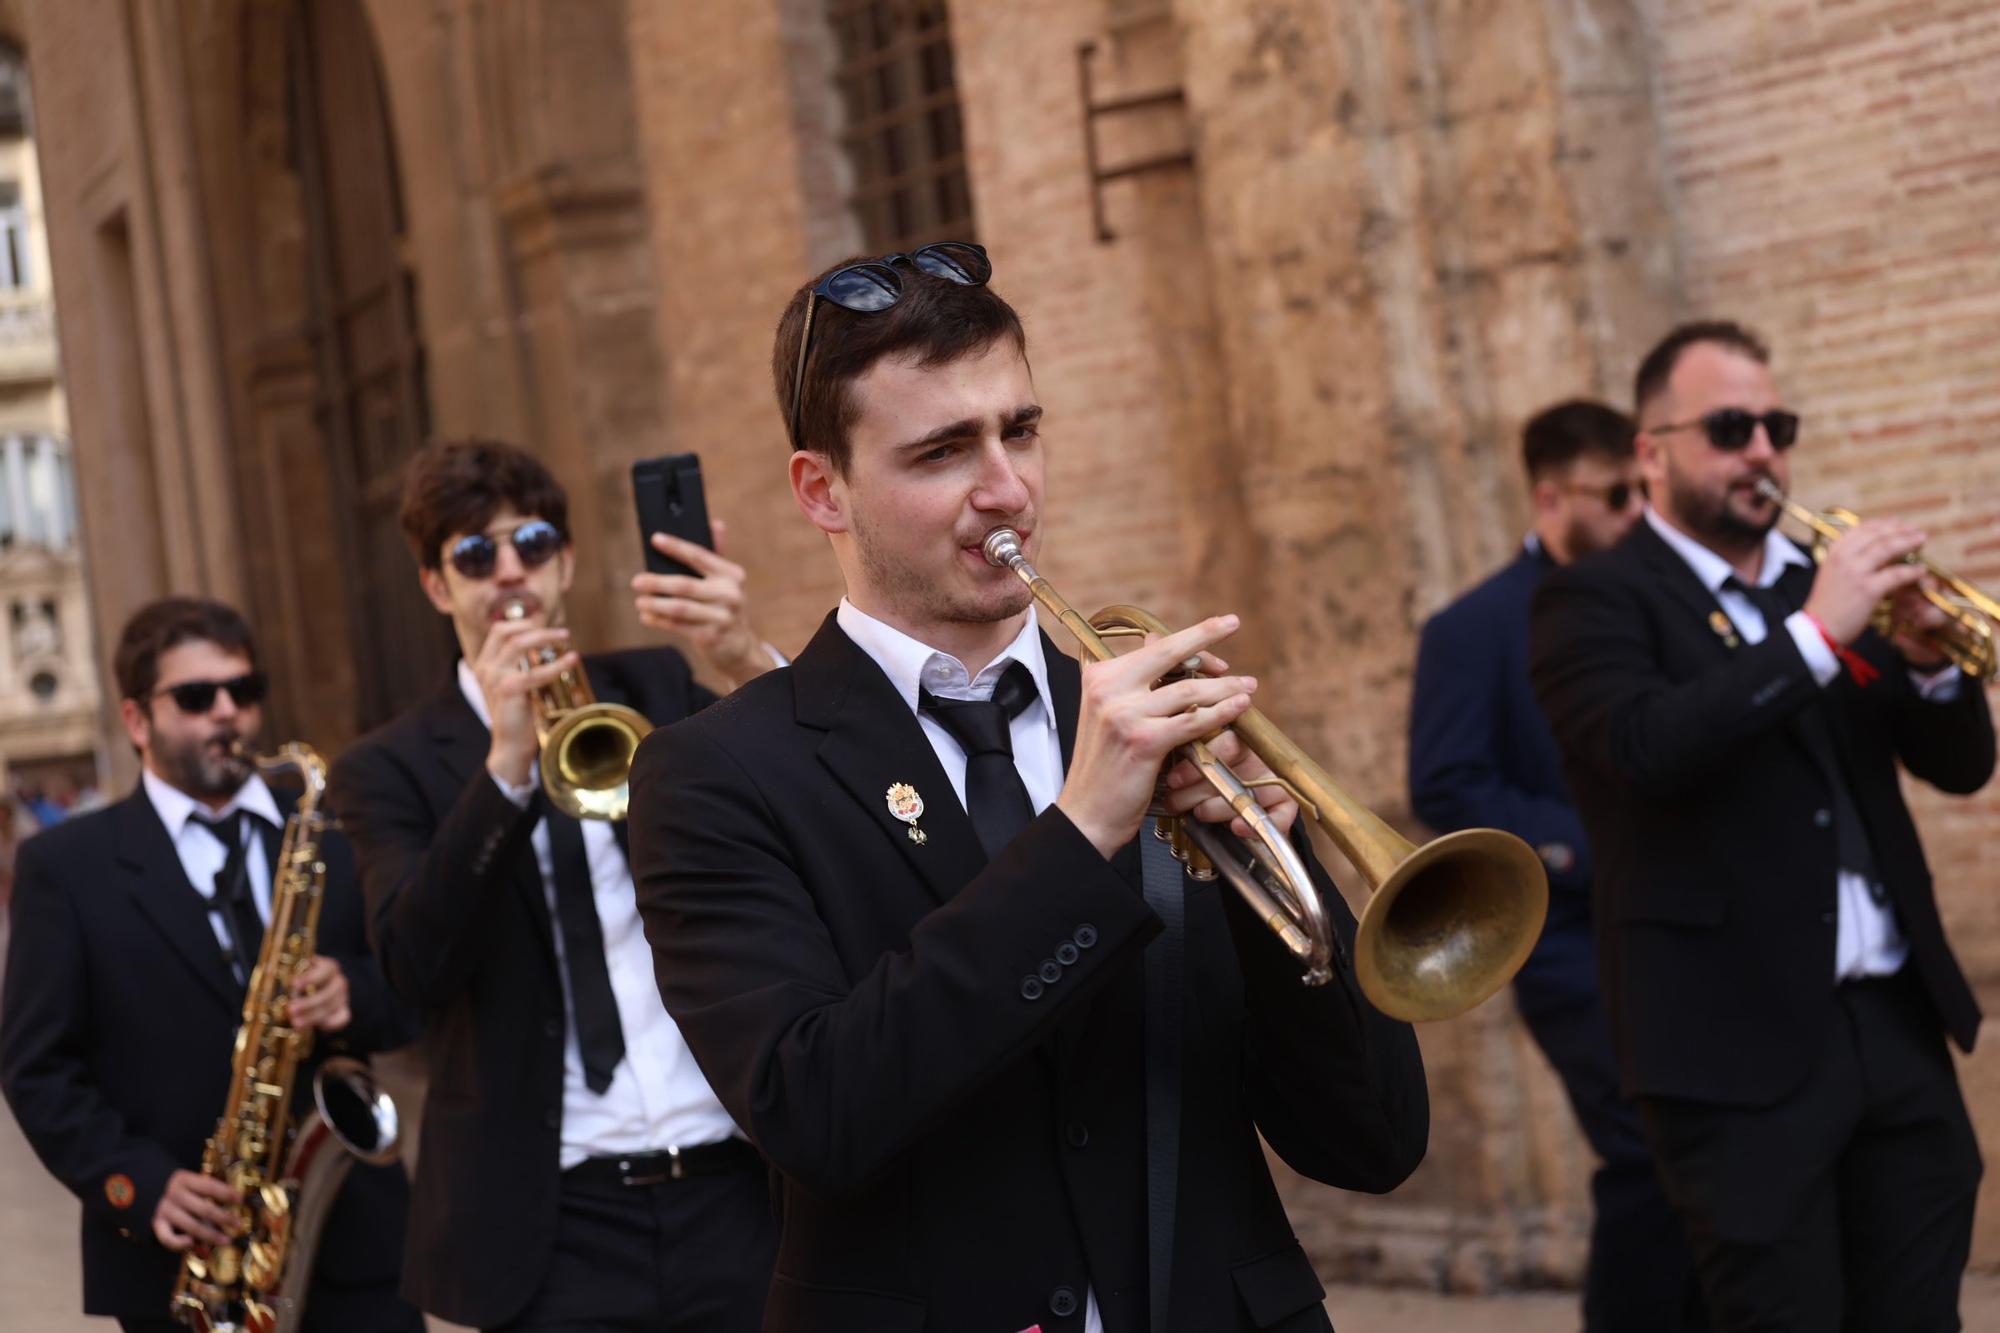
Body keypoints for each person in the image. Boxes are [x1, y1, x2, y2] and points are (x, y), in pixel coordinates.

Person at [626, 243, 1429, 1333]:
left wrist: (1270, 874)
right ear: (823, 489)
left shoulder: (1142, 713)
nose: (1005, 489)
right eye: (942, 451)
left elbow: (1371, 1140)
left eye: (1021, 430)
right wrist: (1079, 831)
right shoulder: (717, 773)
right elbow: (814, 1115)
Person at [1529, 321, 1993, 1331]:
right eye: (1730, 427)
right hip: (1729, 1051)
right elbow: (1642, 749)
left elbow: (1956, 769)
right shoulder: (1589, 600)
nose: (1762, 452)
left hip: (1890, 1027)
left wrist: (1921, 660)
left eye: (1774, 426)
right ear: (1649, 451)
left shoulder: (1808, 585)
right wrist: (1817, 634)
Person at [326, 438, 781, 1332]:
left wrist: (740, 657)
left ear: (565, 561)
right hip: (543, 1227)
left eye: (531, 542)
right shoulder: (386, 766)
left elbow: (816, 807)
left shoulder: (653, 684)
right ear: (435, 585)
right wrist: (503, 768)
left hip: (731, 1190)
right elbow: (415, 968)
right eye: (472, 553)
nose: (508, 571)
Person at [0, 597, 420, 1333]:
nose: (227, 713)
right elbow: (35, 1066)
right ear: (137, 720)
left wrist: (352, 991)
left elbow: (419, 988)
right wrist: (139, 1182)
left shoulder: (336, 831)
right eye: (197, 697)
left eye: (243, 691)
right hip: (184, 1269)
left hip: (359, 1254)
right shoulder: (65, 867)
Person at [1410, 400, 1704, 1330]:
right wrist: (1584, 841)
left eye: (1643, 492)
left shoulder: (1666, 598)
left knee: (1703, 1154)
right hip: (1572, 939)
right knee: (1648, 1153)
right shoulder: (1472, 627)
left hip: (1692, 923)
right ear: (1551, 495)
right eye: (1615, 495)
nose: (1632, 514)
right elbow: (1448, 784)